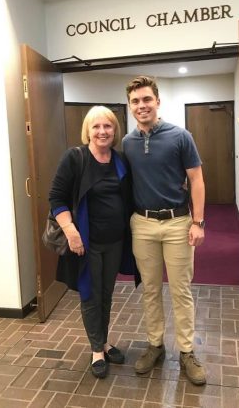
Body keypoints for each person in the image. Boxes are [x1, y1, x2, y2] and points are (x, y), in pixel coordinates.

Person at [122, 76, 206, 385]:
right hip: (142, 225)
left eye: (146, 99)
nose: (141, 106)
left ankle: (186, 351)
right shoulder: (127, 143)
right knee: (150, 290)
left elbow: (196, 179)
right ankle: (155, 345)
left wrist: (198, 222)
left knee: (181, 291)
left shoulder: (180, 136)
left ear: (157, 101)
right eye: (135, 101)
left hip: (177, 223)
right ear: (130, 106)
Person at [49, 105, 135, 379]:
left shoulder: (120, 160)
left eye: (107, 126)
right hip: (85, 243)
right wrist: (72, 233)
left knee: (106, 294)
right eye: (96, 127)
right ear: (88, 131)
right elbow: (56, 198)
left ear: (115, 130)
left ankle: (104, 340)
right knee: (90, 293)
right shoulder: (75, 158)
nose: (102, 131)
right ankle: (97, 349)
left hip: (115, 241)